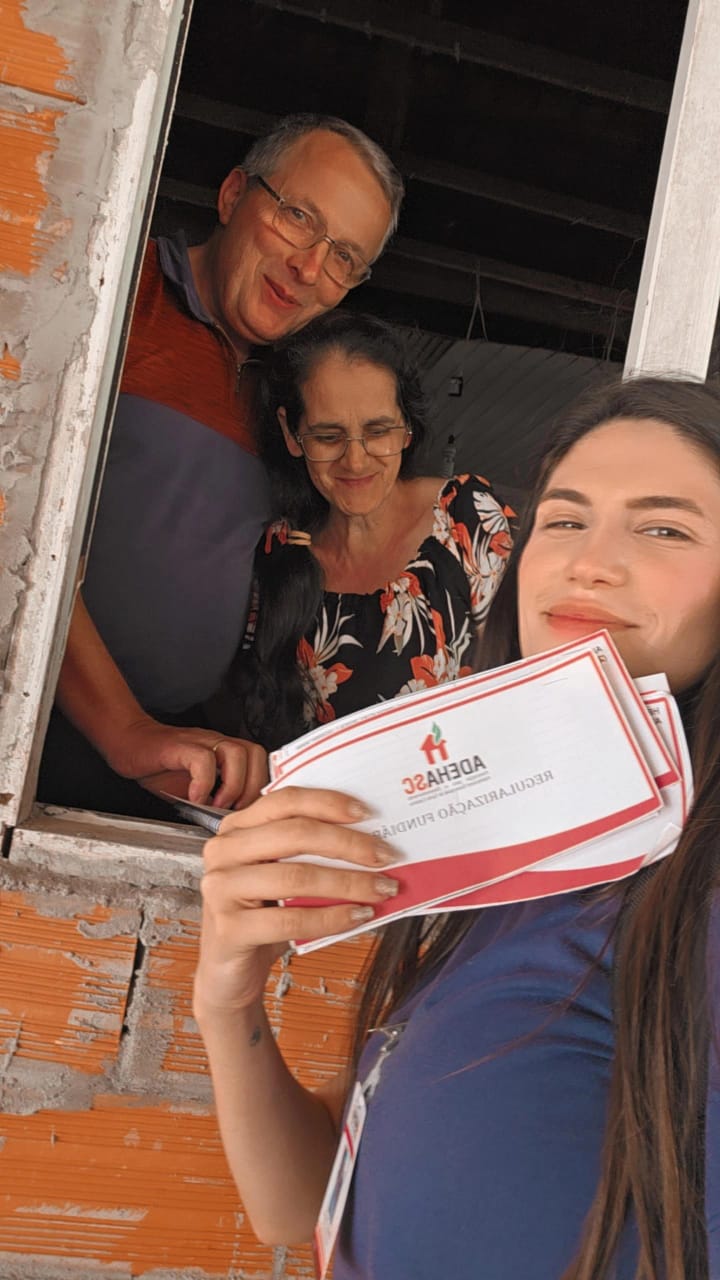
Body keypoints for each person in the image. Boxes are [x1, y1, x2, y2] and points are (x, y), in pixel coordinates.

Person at [193, 376, 720, 1279]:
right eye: (564, 519)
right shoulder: (509, 870)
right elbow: (304, 1206)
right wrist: (225, 1000)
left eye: (664, 529)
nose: (588, 563)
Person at [37, 115, 403, 819]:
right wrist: (126, 730)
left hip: (166, 758)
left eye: (344, 258)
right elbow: (23, 524)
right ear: (234, 195)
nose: (309, 268)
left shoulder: (295, 395)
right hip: (39, 718)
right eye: (298, 218)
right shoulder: (115, 291)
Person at [220, 311, 513, 751]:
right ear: (292, 434)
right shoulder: (278, 550)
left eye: (378, 431)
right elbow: (256, 719)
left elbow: (526, 679)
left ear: (407, 428)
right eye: (328, 436)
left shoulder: (466, 520)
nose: (355, 462)